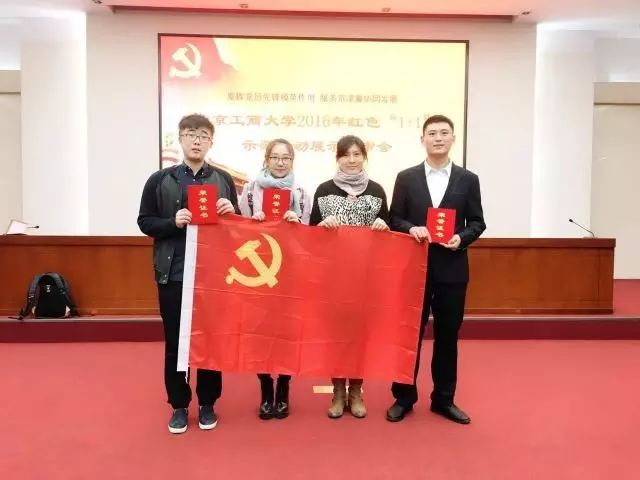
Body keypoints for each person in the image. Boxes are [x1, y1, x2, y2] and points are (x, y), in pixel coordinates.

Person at [137, 113, 239, 434]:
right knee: (175, 342)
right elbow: (144, 222)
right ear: (180, 139)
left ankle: (208, 402)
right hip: (174, 273)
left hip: (212, 276)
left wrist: (231, 213)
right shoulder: (159, 180)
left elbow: (236, 229)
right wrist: (172, 222)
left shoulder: (223, 180)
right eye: (191, 134)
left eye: (203, 135)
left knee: (210, 341)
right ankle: (179, 405)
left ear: (211, 142)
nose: (197, 140)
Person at [385, 114, 486, 424]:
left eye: (444, 133)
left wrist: (461, 237)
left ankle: (444, 399)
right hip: (413, 269)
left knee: (447, 336)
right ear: (423, 140)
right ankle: (403, 397)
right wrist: (411, 228)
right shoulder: (406, 177)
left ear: (453, 138)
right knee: (409, 336)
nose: (438, 138)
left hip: (452, 270)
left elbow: (478, 222)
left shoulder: (468, 179)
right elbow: (394, 218)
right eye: (432, 133)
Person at [309, 135, 390, 419]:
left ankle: (356, 391)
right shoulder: (323, 190)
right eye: (346, 154)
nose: (352, 160)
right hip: (333, 278)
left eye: (357, 154)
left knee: (359, 335)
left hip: (366, 278)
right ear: (338, 158)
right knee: (336, 335)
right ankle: (337, 392)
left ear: (364, 157)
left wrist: (383, 225)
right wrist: (322, 226)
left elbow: (389, 233)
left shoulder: (377, 190)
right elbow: (311, 235)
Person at [238, 138, 312, 420]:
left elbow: (310, 235)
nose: (281, 163)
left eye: (286, 158)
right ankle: (265, 387)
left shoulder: (302, 192)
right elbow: (237, 230)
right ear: (266, 159)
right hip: (258, 271)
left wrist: (297, 223)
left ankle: (283, 387)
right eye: (275, 157)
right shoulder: (249, 191)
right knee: (260, 330)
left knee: (287, 330)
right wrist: (252, 222)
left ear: (292, 161)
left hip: (290, 271)